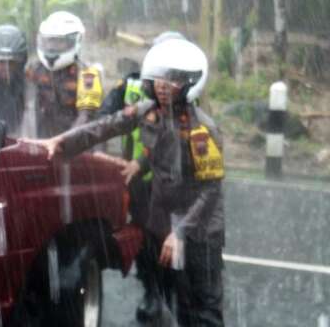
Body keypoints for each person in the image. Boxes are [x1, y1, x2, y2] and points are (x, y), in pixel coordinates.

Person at [22, 38, 224, 327]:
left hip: (198, 232)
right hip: (165, 224)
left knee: (202, 310)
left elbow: (210, 191)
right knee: (172, 301)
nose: (163, 87)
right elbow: (105, 126)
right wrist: (61, 142)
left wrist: (180, 232)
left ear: (191, 84)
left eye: (173, 81)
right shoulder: (149, 111)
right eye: (160, 80)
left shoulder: (201, 131)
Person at [96, 30, 189, 322]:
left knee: (172, 240)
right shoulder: (132, 83)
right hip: (137, 182)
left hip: (171, 181)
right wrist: (100, 146)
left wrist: (140, 161)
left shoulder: (185, 92)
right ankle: (151, 291)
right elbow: (105, 113)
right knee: (144, 241)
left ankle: (175, 294)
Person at [26, 11, 104, 137]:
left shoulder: (87, 74)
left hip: (77, 141)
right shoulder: (34, 69)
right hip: (42, 139)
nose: (51, 47)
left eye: (59, 42)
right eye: (49, 41)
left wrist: (63, 141)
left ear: (76, 41)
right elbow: (21, 100)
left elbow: (87, 115)